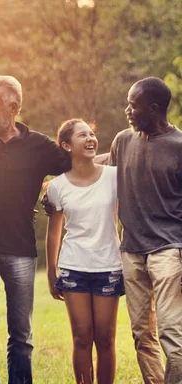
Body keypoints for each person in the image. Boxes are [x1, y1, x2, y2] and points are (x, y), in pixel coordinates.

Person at [0, 75, 70, 384]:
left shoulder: (39, 145)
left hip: (21, 251)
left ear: (14, 107)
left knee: (22, 335)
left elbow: (79, 165)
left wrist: (121, 160)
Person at [108, 77, 182, 384]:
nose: (127, 109)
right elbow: (103, 179)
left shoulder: (179, 147)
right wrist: (55, 187)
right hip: (132, 251)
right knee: (142, 334)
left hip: (168, 250)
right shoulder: (122, 141)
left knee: (172, 335)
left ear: (154, 109)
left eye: (133, 105)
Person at [45, 119, 123, 384]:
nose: (90, 138)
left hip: (109, 266)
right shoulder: (57, 186)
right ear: (67, 145)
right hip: (73, 267)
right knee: (81, 336)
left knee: (105, 337)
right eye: (82, 136)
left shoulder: (114, 176)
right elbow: (54, 231)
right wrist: (51, 272)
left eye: (91, 134)